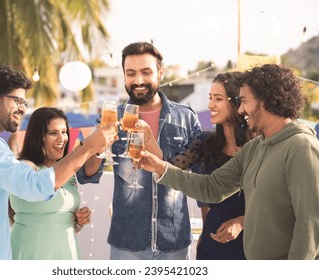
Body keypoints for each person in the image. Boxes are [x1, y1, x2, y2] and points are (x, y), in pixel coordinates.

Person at [139, 63, 319, 260]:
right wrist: (159, 167)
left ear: (265, 101)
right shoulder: (256, 148)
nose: (241, 109)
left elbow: (310, 224)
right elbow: (213, 187)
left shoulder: (302, 147)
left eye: (244, 101)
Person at [0, 66, 116, 260]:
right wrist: (86, 148)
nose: (23, 108)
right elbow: (34, 186)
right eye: (17, 101)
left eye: (24, 102)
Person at [77, 42, 202, 260]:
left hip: (174, 242)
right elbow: (87, 175)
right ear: (124, 75)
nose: (138, 81)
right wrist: (97, 146)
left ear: (160, 72)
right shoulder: (110, 116)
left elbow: (200, 177)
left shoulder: (186, 118)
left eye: (146, 72)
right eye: (131, 73)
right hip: (126, 244)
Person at [171, 72, 249, 260]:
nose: (210, 105)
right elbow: (170, 169)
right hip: (213, 241)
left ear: (237, 102)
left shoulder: (258, 145)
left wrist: (243, 221)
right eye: (210, 98)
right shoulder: (206, 142)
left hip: (251, 241)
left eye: (218, 99)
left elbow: (274, 203)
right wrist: (146, 139)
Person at [9, 107, 91, 260]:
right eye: (53, 133)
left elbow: (56, 219)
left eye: (64, 132)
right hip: (29, 252)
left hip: (66, 253)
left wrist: (78, 220)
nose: (62, 139)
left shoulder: (68, 174)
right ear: (38, 137)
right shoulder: (24, 168)